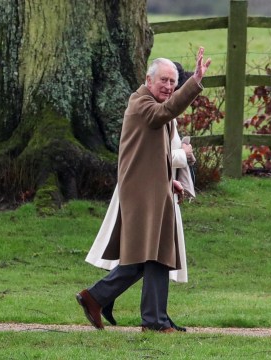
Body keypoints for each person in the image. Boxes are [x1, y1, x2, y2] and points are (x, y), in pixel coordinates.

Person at [76, 48, 211, 333]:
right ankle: (120, 306)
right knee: (149, 256)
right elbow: (166, 112)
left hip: (152, 190)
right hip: (141, 195)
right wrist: (195, 82)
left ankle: (142, 314)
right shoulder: (142, 104)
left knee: (155, 256)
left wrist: (169, 180)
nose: (169, 87)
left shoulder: (149, 105)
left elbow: (152, 154)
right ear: (148, 81)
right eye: (164, 80)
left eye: (174, 82)